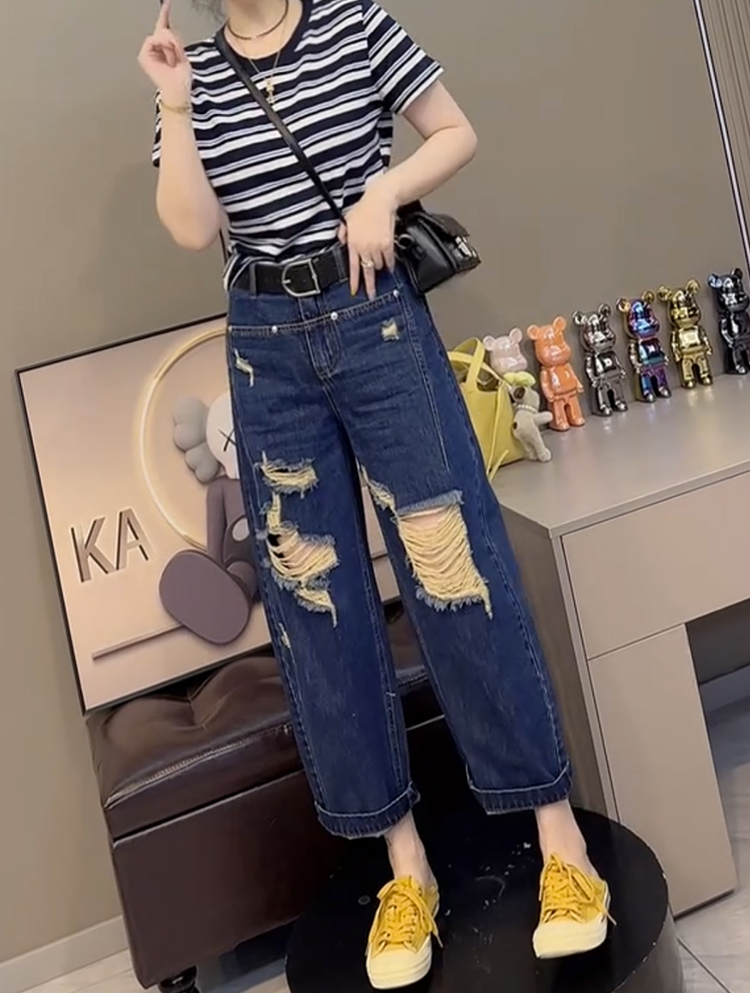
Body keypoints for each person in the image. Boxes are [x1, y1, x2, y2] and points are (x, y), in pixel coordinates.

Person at [139, 0, 611, 987]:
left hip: (374, 320)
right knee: (319, 609)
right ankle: (405, 870)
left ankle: (560, 845)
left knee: (456, 576)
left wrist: (382, 191)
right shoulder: (193, 71)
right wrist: (175, 101)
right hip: (264, 348)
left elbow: (455, 130)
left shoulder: (355, 23)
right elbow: (188, 229)